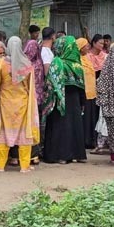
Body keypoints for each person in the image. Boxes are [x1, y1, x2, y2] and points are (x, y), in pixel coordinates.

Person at [0, 37, 40, 172]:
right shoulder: (27, 65)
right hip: (23, 103)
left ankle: (0, 166)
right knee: (24, 134)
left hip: (5, 103)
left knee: (3, 133)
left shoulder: (1, 64)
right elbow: (31, 86)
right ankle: (24, 166)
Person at [43, 36, 87, 164]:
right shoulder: (77, 65)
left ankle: (61, 155)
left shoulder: (57, 63)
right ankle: (77, 154)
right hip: (75, 102)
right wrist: (82, 103)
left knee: (61, 127)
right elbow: (82, 88)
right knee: (75, 127)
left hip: (59, 101)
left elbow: (50, 84)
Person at [24, 39, 46, 164]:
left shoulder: (26, 64)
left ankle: (31, 153)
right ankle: (35, 154)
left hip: (29, 100)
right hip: (37, 99)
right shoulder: (39, 62)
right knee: (35, 127)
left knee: (29, 128)